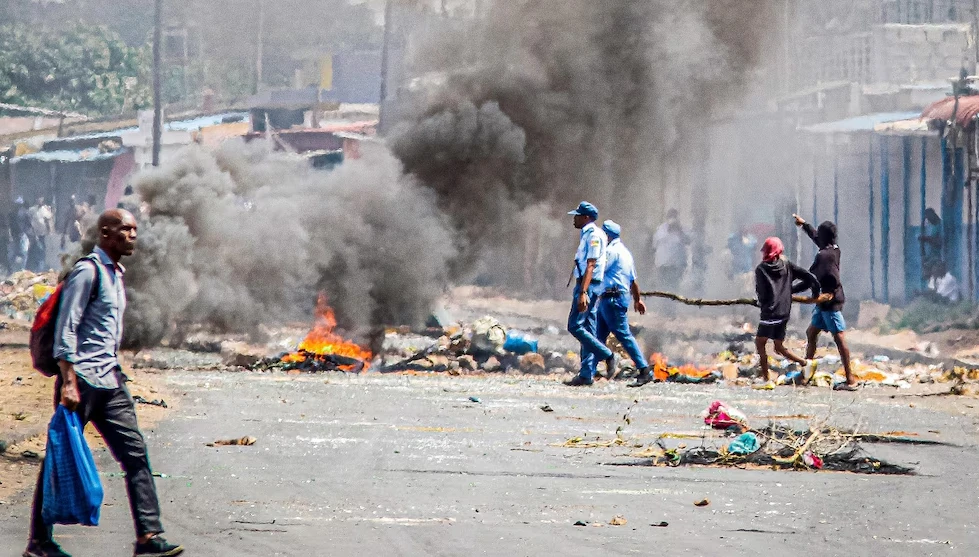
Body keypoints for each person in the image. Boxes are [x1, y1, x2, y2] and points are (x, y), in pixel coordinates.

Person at [24, 209, 183, 557]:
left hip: (110, 381)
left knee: (136, 455)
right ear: (107, 234)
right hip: (79, 382)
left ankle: (149, 537)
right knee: (58, 458)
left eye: (135, 229)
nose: (133, 235)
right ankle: (38, 543)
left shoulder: (116, 274)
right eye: (126, 229)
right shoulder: (87, 272)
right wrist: (67, 381)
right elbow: (67, 327)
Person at [793, 214, 857, 390]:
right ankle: (806, 373)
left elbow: (810, 280)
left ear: (824, 238)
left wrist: (790, 290)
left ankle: (850, 380)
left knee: (839, 338)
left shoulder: (824, 257)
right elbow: (817, 237)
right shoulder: (834, 249)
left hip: (830, 301)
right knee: (812, 333)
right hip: (824, 303)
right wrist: (804, 225)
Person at [590, 220, 652, 385]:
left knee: (623, 335)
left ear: (607, 236)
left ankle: (644, 369)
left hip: (612, 298)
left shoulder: (610, 252)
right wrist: (637, 300)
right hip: (614, 297)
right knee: (598, 336)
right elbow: (633, 280)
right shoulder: (626, 252)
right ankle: (589, 370)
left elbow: (597, 271)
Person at [753, 237, 822, 386]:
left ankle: (766, 379)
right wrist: (815, 295)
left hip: (769, 313)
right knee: (778, 346)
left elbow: (762, 293)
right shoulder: (786, 265)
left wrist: (761, 303)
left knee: (760, 343)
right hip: (784, 312)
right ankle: (805, 363)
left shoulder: (761, 269)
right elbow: (811, 278)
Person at [563, 201, 615, 387]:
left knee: (574, 326)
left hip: (589, 285)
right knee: (589, 329)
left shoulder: (594, 236)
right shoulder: (588, 234)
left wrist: (583, 292)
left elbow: (591, 265)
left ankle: (606, 354)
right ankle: (586, 374)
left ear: (586, 218)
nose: (574, 219)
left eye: (577, 216)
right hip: (588, 285)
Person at [651, 209, 690, 313]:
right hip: (662, 264)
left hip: (676, 265)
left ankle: (672, 310)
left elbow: (688, 241)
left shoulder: (683, 230)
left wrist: (679, 231)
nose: (672, 219)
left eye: (674, 216)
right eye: (670, 216)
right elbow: (654, 246)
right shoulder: (660, 229)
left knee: (674, 287)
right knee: (663, 287)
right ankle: (663, 310)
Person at [27, 197, 54, 271]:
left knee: (41, 250)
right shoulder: (32, 210)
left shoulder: (45, 210)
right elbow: (28, 220)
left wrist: (50, 232)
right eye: (38, 198)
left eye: (41, 199)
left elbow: (49, 221)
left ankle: (40, 269)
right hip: (33, 234)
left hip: (42, 234)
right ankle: (33, 268)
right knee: (34, 250)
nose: (40, 200)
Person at [920, 207, 943, 276]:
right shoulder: (931, 226)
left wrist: (927, 239)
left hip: (938, 257)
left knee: (936, 276)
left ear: (933, 215)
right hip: (930, 257)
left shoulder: (940, 226)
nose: (928, 219)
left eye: (929, 217)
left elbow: (940, 241)